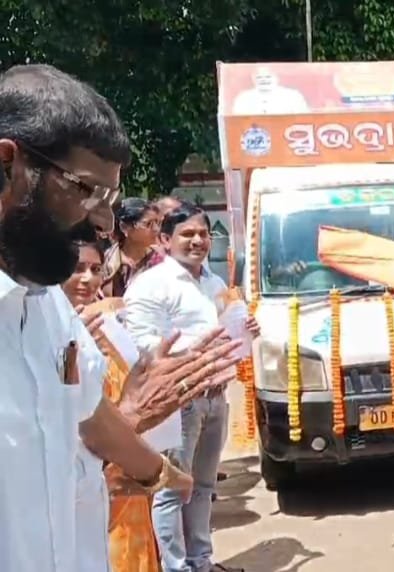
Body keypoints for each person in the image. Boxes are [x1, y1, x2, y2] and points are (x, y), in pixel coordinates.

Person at [0, 64, 238, 572]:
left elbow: (90, 413)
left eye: (109, 198)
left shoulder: (48, 305)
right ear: (7, 164)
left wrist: (158, 469)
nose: (105, 221)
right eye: (85, 190)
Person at [125, 202, 259, 572]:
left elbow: (225, 330)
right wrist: (193, 354)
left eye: (203, 233)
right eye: (187, 234)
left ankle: (201, 561)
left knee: (203, 486)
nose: (198, 240)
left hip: (215, 395)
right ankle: (176, 567)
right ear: (165, 240)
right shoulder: (151, 285)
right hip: (178, 399)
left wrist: (245, 331)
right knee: (172, 488)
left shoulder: (214, 283)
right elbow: (140, 343)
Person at [62, 239, 162, 572]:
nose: (88, 279)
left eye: (95, 269)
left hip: (127, 459)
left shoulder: (111, 323)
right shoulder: (47, 332)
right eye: (77, 269)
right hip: (86, 471)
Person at [103, 197, 164, 297]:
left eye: (158, 223)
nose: (156, 229)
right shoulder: (107, 261)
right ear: (125, 227)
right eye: (148, 224)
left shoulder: (160, 261)